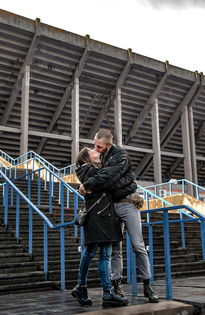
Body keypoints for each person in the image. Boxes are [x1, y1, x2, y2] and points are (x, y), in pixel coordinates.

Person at [79, 129, 159, 303]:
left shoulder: (119, 154)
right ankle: (116, 284)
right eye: (95, 146)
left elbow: (108, 177)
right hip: (111, 207)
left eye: (99, 146)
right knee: (115, 249)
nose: (96, 149)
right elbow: (111, 179)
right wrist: (123, 181)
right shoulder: (100, 158)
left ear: (109, 144)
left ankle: (147, 285)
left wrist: (87, 185)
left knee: (138, 245)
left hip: (128, 203)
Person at [71, 147, 129, 308]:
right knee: (90, 252)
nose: (94, 149)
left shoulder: (99, 168)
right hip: (96, 216)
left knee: (106, 254)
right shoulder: (85, 169)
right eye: (91, 149)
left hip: (107, 216)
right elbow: (106, 182)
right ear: (86, 157)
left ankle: (106, 292)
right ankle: (81, 286)